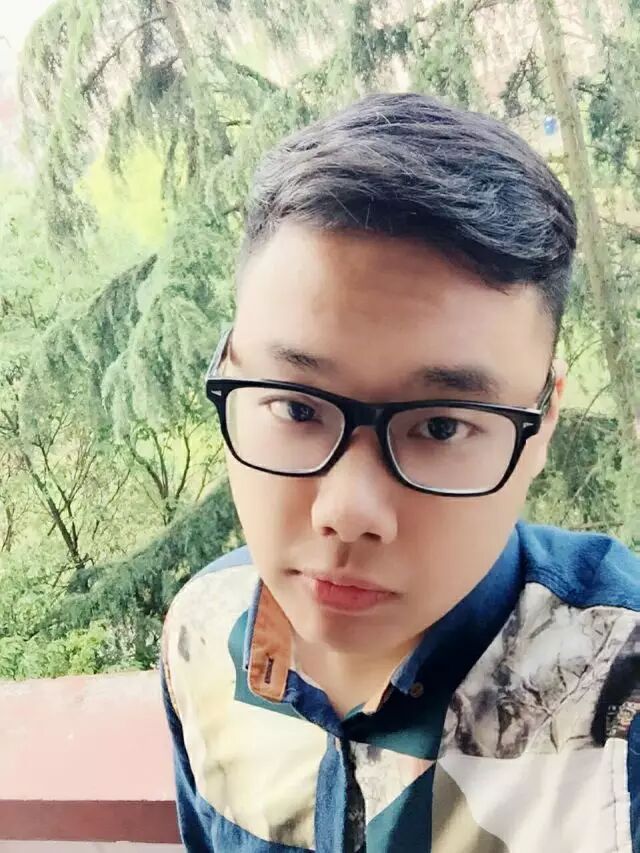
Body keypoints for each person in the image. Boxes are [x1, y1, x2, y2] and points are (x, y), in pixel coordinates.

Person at [159, 92, 640, 852]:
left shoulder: (620, 694)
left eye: (441, 426)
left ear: (542, 421)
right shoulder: (203, 636)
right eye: (296, 407)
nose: (347, 512)